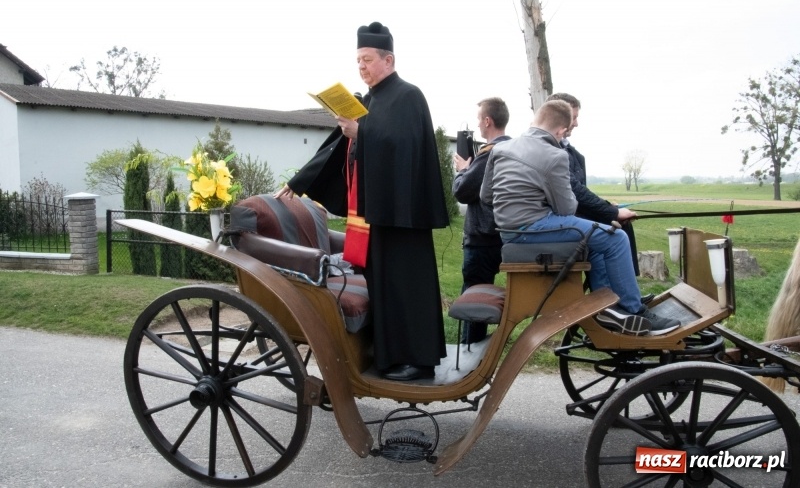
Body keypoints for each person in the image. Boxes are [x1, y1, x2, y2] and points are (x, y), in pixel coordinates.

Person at [276, 22, 449, 380]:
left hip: (404, 214)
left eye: (367, 60)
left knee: (407, 287)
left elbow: (405, 147)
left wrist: (363, 132)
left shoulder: (408, 96)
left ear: (389, 60)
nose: (361, 67)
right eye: (358, 60)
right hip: (377, 213)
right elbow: (338, 146)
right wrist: (300, 180)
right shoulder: (368, 101)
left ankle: (419, 361)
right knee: (385, 288)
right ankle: (390, 356)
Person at [480, 100, 680, 336]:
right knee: (616, 239)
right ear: (561, 131)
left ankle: (608, 308)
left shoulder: (501, 149)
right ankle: (634, 310)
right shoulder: (555, 155)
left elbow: (486, 196)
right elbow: (566, 209)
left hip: (508, 231)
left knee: (595, 242)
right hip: (533, 229)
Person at [546, 92, 653, 304]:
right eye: (573, 117)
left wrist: (607, 207)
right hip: (559, 220)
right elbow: (574, 190)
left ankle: (626, 292)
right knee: (614, 233)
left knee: (621, 225)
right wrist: (611, 211)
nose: (576, 123)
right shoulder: (550, 150)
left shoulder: (566, 150)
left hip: (572, 215)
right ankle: (612, 302)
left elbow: (578, 191)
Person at [452, 97, 511, 344]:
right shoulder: (513, 149)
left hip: (482, 237)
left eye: (479, 119)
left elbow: (463, 191)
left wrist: (464, 170)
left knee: (474, 297)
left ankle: (470, 351)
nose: (477, 124)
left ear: (488, 121)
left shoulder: (489, 153)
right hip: (504, 233)